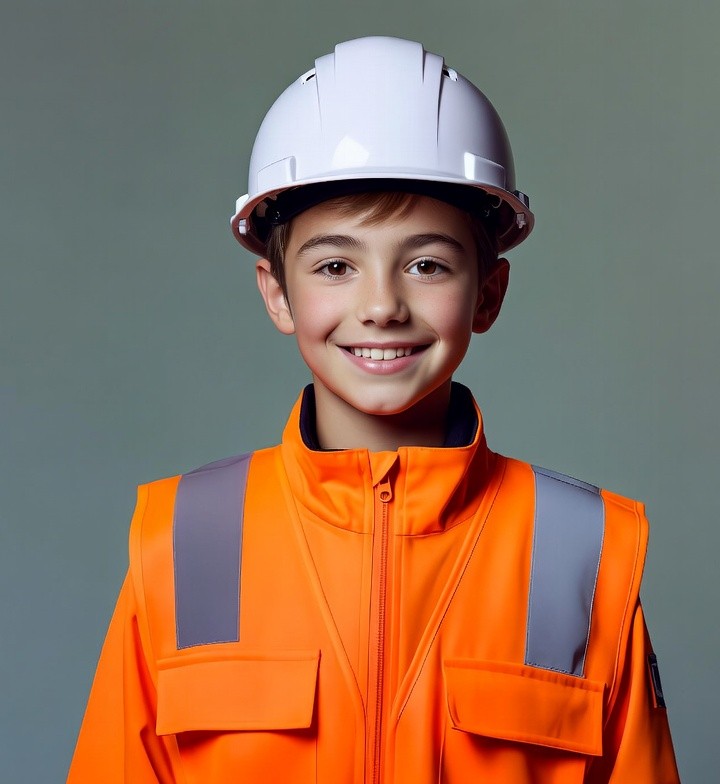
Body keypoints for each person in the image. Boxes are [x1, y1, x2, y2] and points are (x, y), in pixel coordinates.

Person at [68, 36, 680, 783]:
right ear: (276, 292)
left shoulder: (585, 552)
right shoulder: (181, 542)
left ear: (488, 293)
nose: (383, 305)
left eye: (426, 265)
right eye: (335, 266)